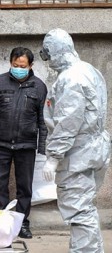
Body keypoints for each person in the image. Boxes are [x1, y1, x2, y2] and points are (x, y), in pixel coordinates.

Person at [40, 28, 111, 253]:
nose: (47, 59)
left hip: (78, 154)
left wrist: (53, 157)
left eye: (47, 54)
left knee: (79, 210)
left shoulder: (71, 79)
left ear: (55, 52)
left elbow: (67, 123)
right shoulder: (88, 70)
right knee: (85, 208)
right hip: (94, 149)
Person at [0, 47, 48, 239]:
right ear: (11, 63)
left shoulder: (39, 86)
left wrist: (42, 147)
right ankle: (1, 223)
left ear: (30, 66)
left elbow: (44, 120)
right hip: (0, 143)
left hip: (26, 145)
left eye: (22, 66)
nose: (18, 68)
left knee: (24, 186)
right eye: (15, 65)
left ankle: (22, 223)